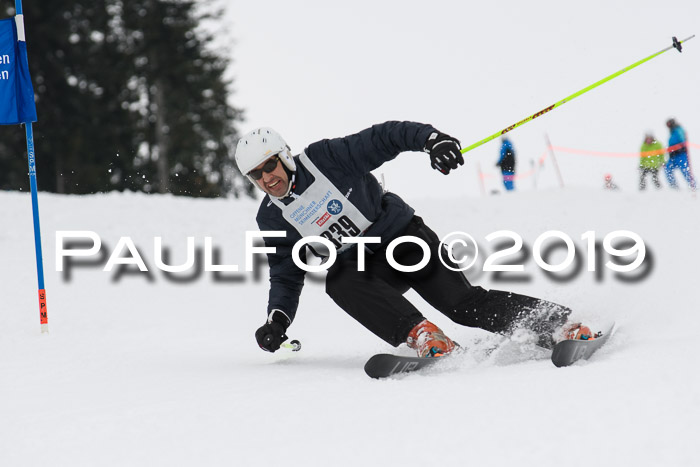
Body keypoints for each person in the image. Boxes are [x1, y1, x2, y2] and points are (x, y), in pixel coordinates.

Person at [235, 122, 590, 358]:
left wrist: (432, 141)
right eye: (256, 175)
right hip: (366, 267)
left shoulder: (326, 159)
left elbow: (384, 137)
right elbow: (285, 271)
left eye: (270, 166)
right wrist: (278, 320)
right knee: (339, 281)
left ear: (284, 156)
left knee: (464, 305)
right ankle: (425, 336)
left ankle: (558, 325)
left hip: (405, 240)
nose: (267, 178)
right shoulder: (272, 215)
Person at [664, 118, 696, 191]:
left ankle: (694, 187)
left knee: (685, 171)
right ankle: (674, 187)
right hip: (673, 156)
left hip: (681, 155)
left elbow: (683, 141)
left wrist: (680, 148)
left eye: (669, 124)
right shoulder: (672, 132)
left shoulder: (678, 130)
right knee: (667, 168)